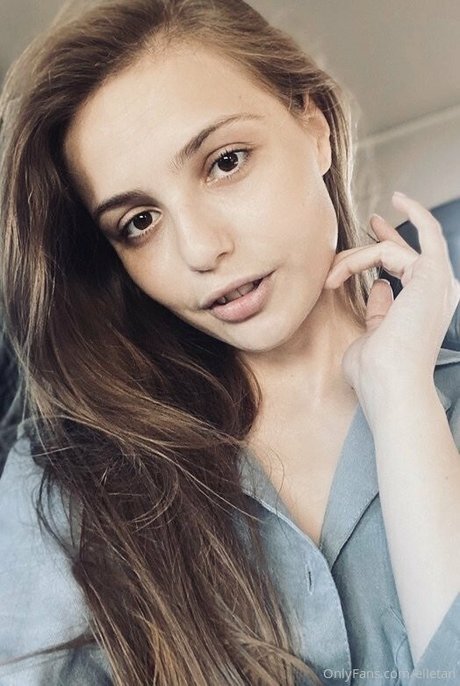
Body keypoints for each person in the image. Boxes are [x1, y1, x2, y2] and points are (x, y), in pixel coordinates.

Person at [0, 0, 459, 684]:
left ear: (315, 127)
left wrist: (402, 400)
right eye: (140, 221)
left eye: (225, 161)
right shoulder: (65, 480)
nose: (200, 249)